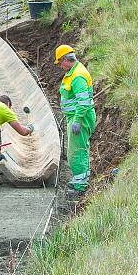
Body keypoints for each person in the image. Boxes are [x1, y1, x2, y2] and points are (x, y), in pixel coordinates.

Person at [55, 45, 96, 193]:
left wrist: (78, 120)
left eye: (60, 62)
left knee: (77, 151)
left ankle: (81, 185)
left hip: (80, 118)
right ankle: (79, 178)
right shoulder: (73, 72)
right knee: (76, 149)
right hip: (74, 117)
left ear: (67, 60)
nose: (60, 66)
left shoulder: (78, 76)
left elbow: (83, 102)